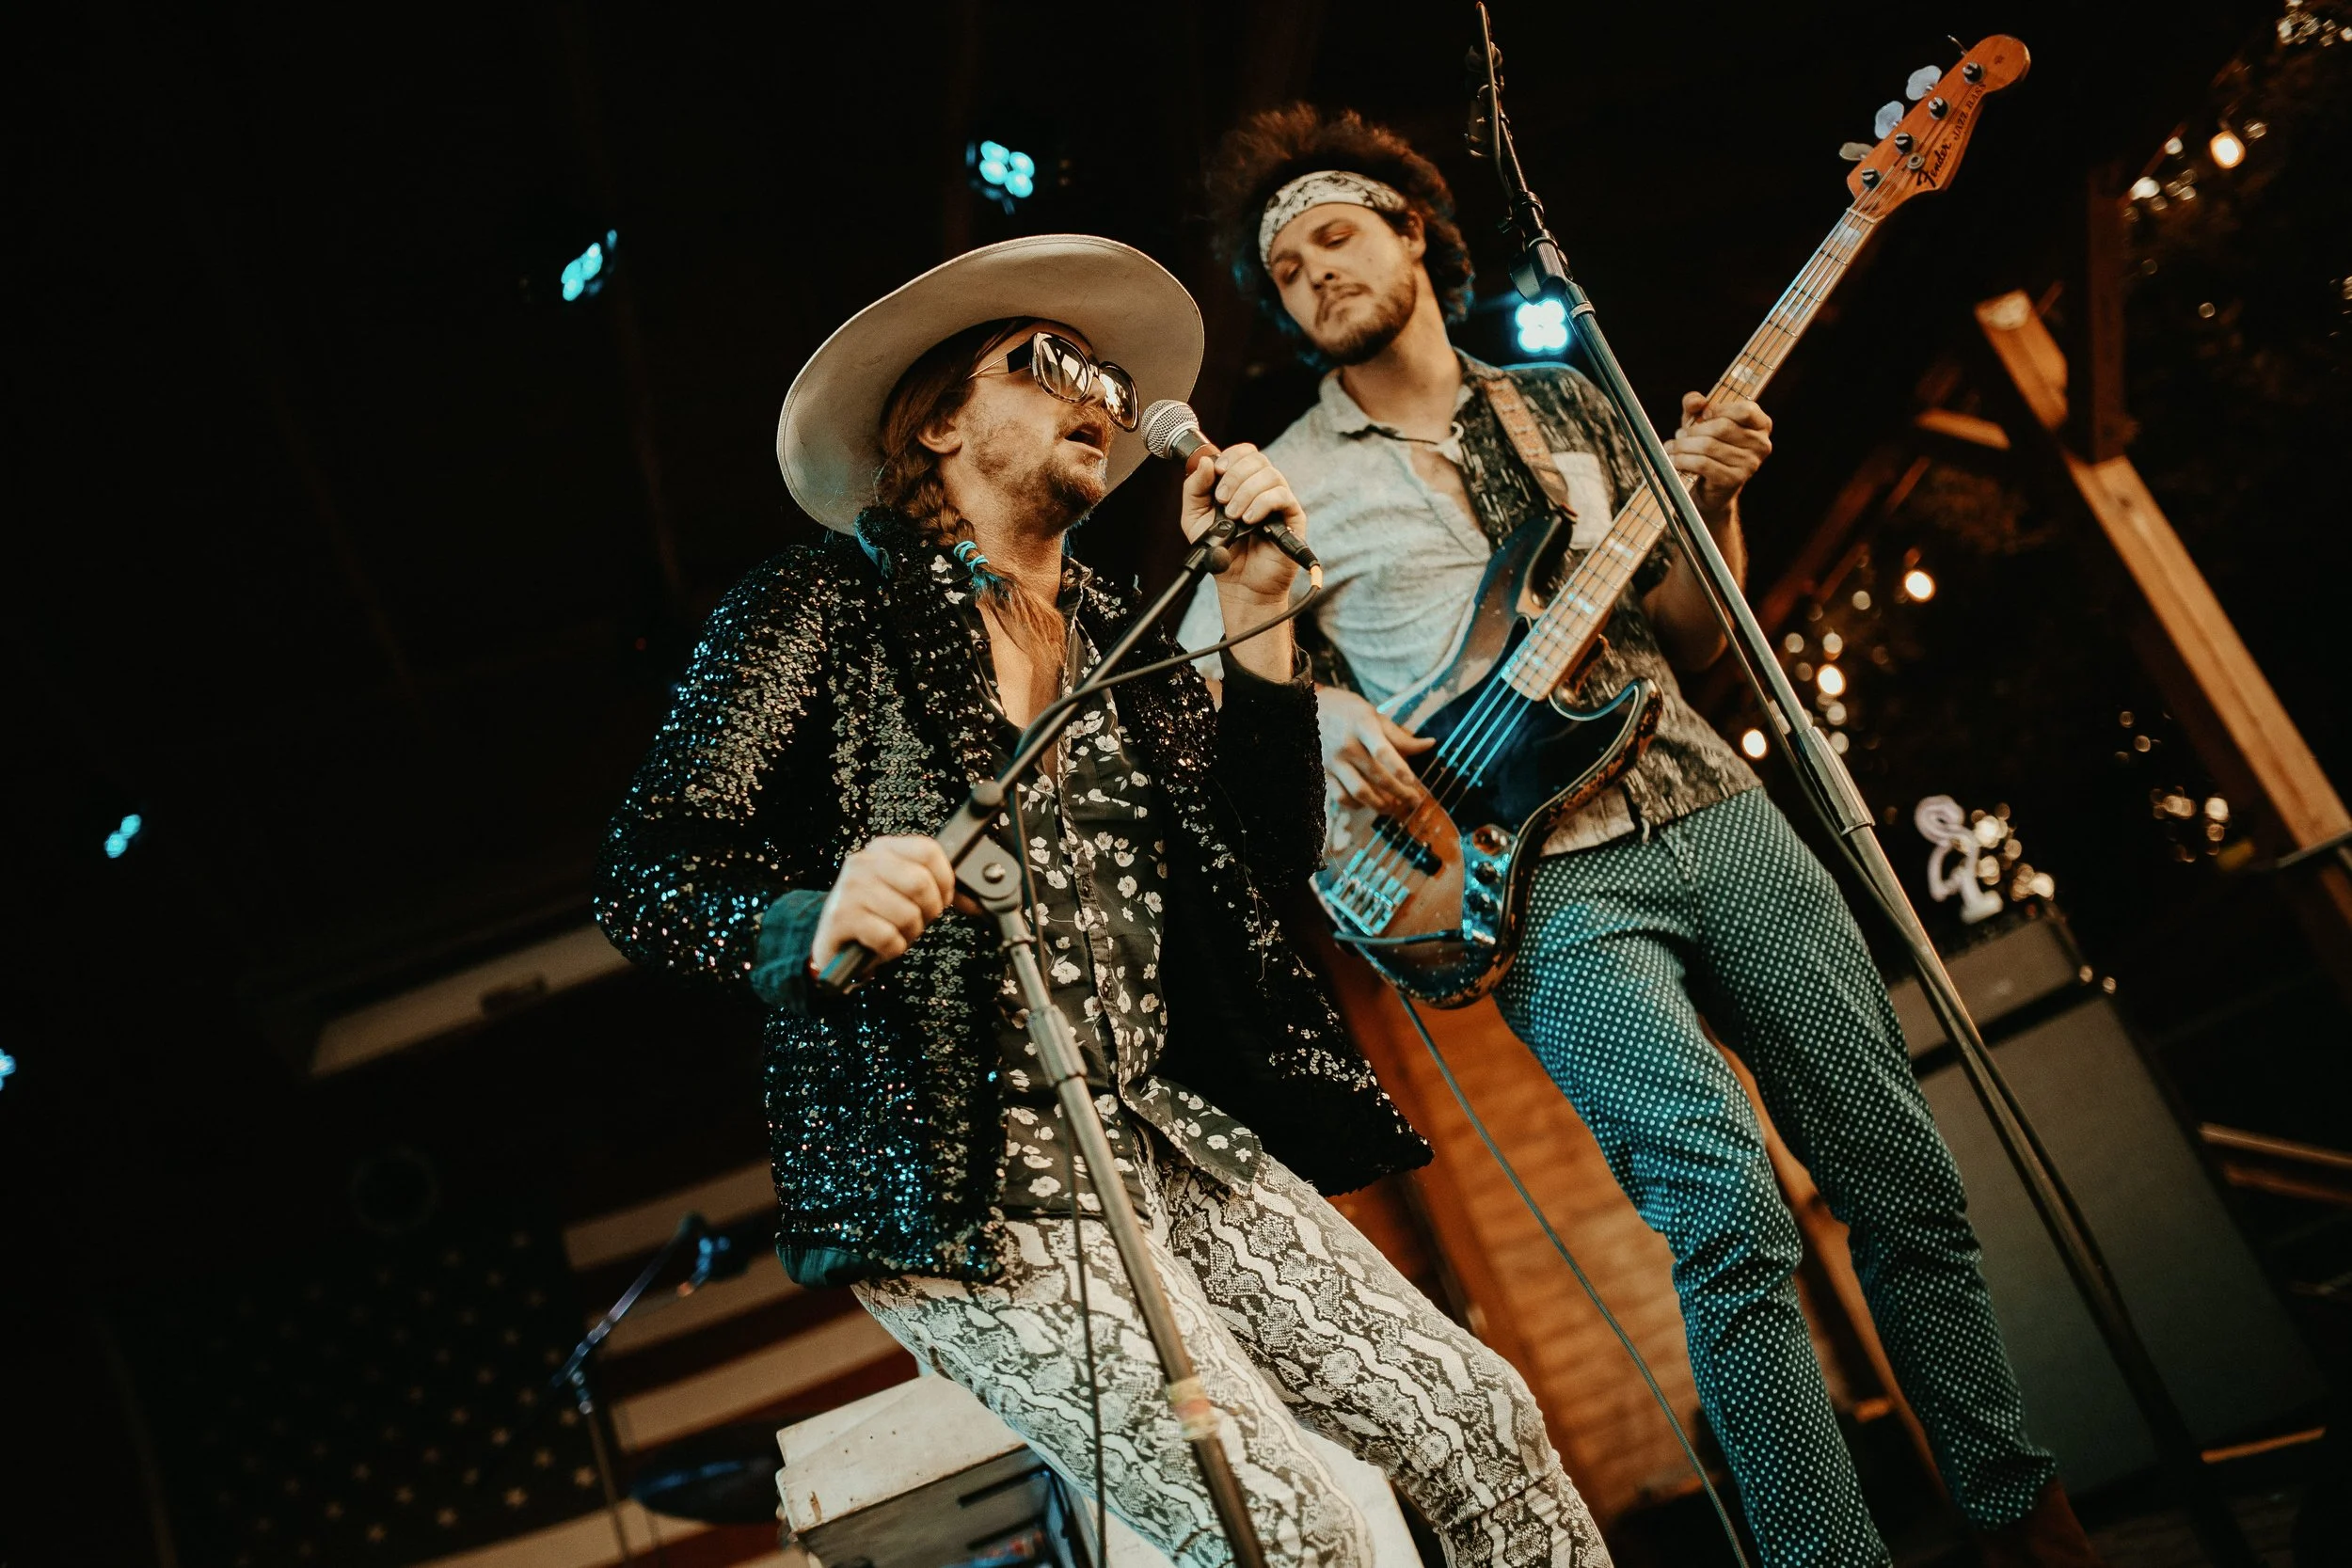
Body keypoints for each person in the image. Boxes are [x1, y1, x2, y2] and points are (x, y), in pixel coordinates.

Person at [595, 234, 1611, 1568]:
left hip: (1169, 1139)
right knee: (1297, 1527)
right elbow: (647, 873)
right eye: (1051, 361)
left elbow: (1259, 859)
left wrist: (1260, 621)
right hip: (969, 1190)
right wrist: (804, 914)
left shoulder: (1119, 627)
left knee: (1483, 1422)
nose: (1102, 390)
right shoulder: (820, 608)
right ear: (945, 415)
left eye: (1110, 374)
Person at [1181, 109, 2103, 1568]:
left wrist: (1715, 500)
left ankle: (2027, 1518)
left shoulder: (1567, 402)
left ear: (1415, 230)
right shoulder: (1286, 484)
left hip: (1711, 802)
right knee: (1728, 1218)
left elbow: (1692, 638)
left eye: (1335, 238)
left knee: (1902, 1176)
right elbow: (1232, 705)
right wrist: (1339, 729)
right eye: (1284, 272)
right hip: (1549, 886)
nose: (1313, 279)